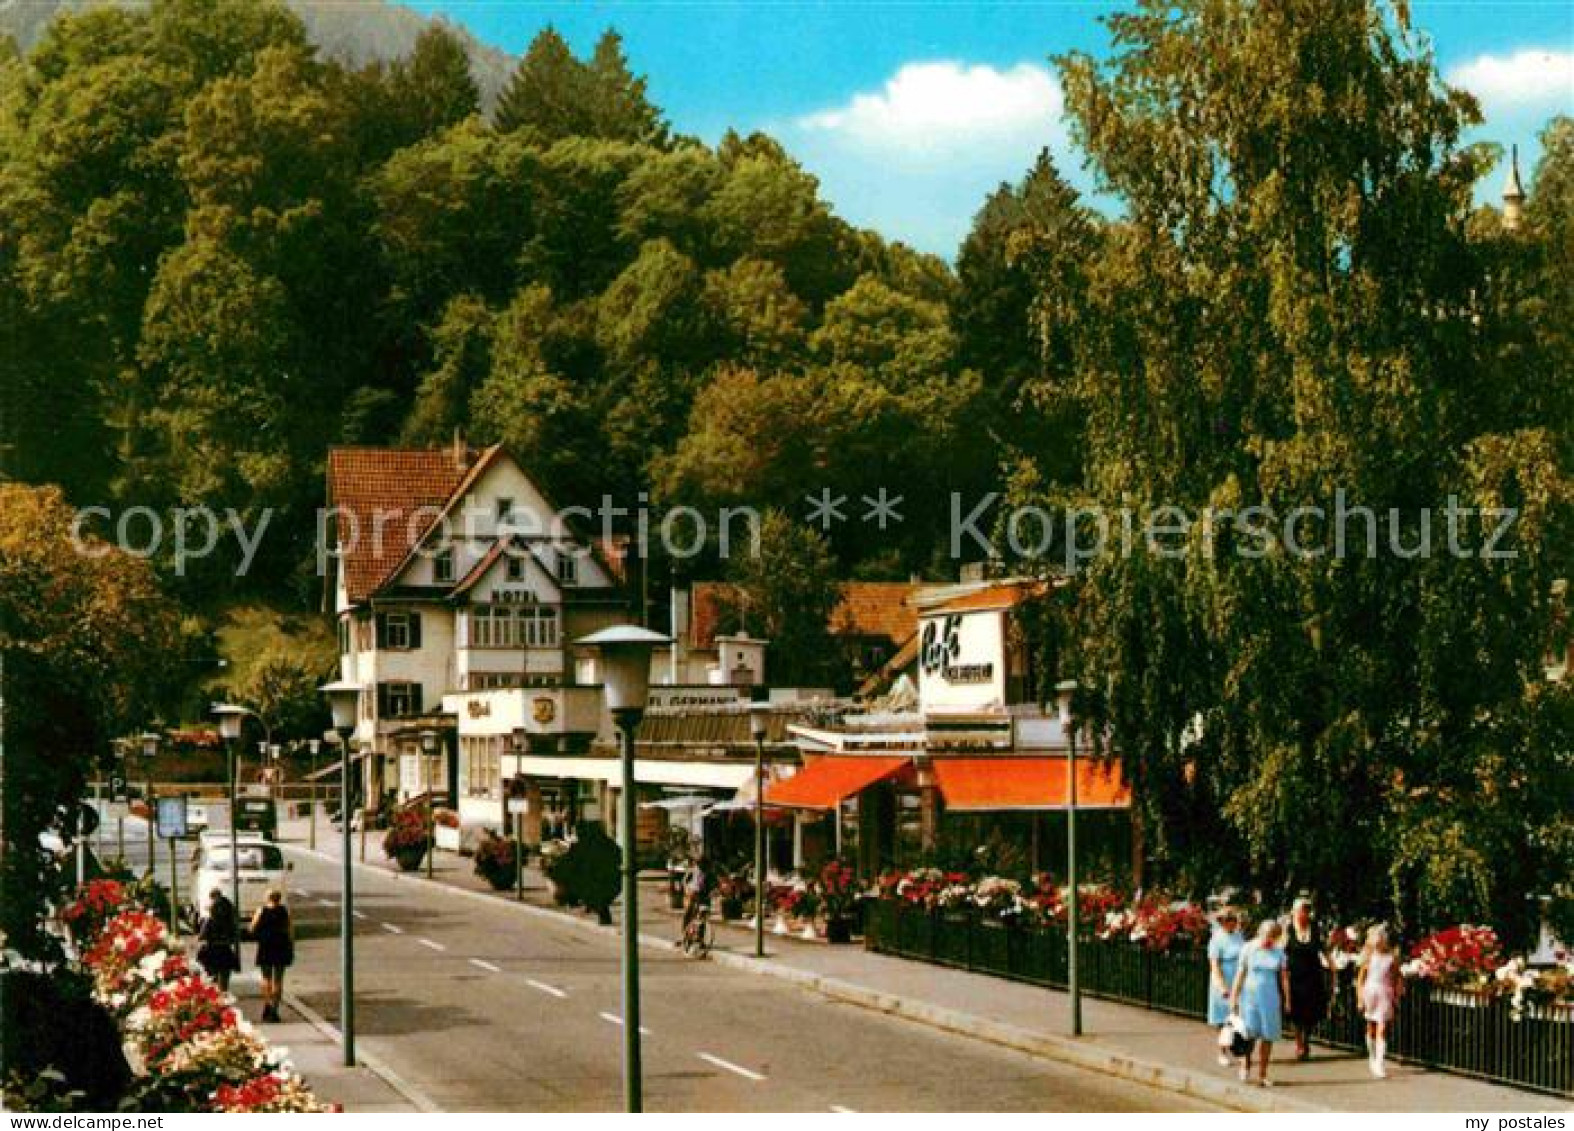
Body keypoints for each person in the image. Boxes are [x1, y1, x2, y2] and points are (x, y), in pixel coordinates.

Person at [1231, 918, 1289, 1087]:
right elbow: (1240, 974)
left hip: (1270, 998)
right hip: (1250, 998)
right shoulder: (1248, 948)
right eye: (1267, 936)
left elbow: (1284, 978)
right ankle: (1245, 1064)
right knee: (1248, 1035)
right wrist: (1234, 997)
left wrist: (1287, 1000)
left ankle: (1263, 1073)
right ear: (1260, 933)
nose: (1269, 940)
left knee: (1267, 1036)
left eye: (1273, 937)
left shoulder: (1279, 953)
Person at [1284, 896, 1331, 1060]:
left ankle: (1306, 1040)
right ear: (1295, 912)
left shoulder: (1315, 929)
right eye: (1302, 910)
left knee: (1311, 1011)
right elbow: (1282, 950)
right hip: (1294, 976)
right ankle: (1299, 1042)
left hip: (1313, 975)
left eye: (1307, 910)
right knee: (1296, 1012)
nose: (1304, 913)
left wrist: (1332, 966)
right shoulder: (1288, 930)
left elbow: (1323, 949)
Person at [1357, 924, 1401, 1078]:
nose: (1378, 941)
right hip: (1370, 992)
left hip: (1385, 993)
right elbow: (1361, 979)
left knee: (1382, 1028)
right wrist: (1360, 999)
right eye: (1376, 938)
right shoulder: (1369, 957)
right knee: (1371, 1028)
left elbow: (1397, 977)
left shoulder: (1391, 957)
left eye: (1381, 938)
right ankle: (1372, 1055)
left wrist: (1397, 995)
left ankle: (1380, 1062)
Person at [1207, 908, 1246, 1066]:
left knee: (1238, 1018)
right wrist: (1223, 987)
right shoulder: (1216, 939)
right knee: (1224, 1019)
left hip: (1237, 978)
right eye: (1230, 920)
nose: (1233, 923)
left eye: (1234, 920)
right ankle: (1222, 1052)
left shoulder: (1239, 936)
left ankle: (1237, 1049)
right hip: (1224, 978)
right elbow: (1214, 965)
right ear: (1223, 922)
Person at [250, 889, 294, 1024]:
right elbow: (290, 930)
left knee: (266, 977)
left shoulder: (261, 910)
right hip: (281, 945)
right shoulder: (284, 911)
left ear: (267, 898)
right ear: (279, 899)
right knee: (279, 979)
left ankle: (267, 1004)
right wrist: (291, 946)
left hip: (266, 945)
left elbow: (252, 928)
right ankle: (275, 1009)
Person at [196, 888, 240, 992]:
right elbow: (235, 936)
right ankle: (223, 999)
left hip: (211, 951)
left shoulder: (210, 921)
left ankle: (215, 1000)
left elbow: (202, 936)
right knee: (224, 982)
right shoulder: (230, 921)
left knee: (211, 980)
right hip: (225, 950)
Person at [678, 854, 714, 943]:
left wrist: (714, 891)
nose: (701, 866)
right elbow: (684, 881)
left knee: (703, 917)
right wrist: (687, 890)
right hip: (692, 894)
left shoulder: (709, 873)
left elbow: (714, 884)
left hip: (704, 896)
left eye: (703, 865)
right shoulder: (693, 871)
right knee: (689, 913)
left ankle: (700, 938)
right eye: (699, 864)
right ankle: (684, 934)